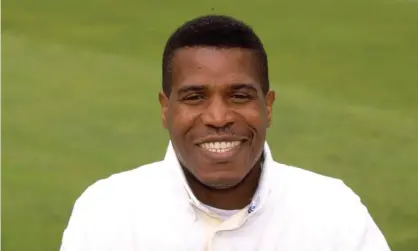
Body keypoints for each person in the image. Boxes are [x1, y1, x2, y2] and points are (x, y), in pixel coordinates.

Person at [59, 15, 391, 251]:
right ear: (165, 109)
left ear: (268, 106)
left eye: (240, 95)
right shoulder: (107, 212)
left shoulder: (333, 212)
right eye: (194, 97)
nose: (218, 117)